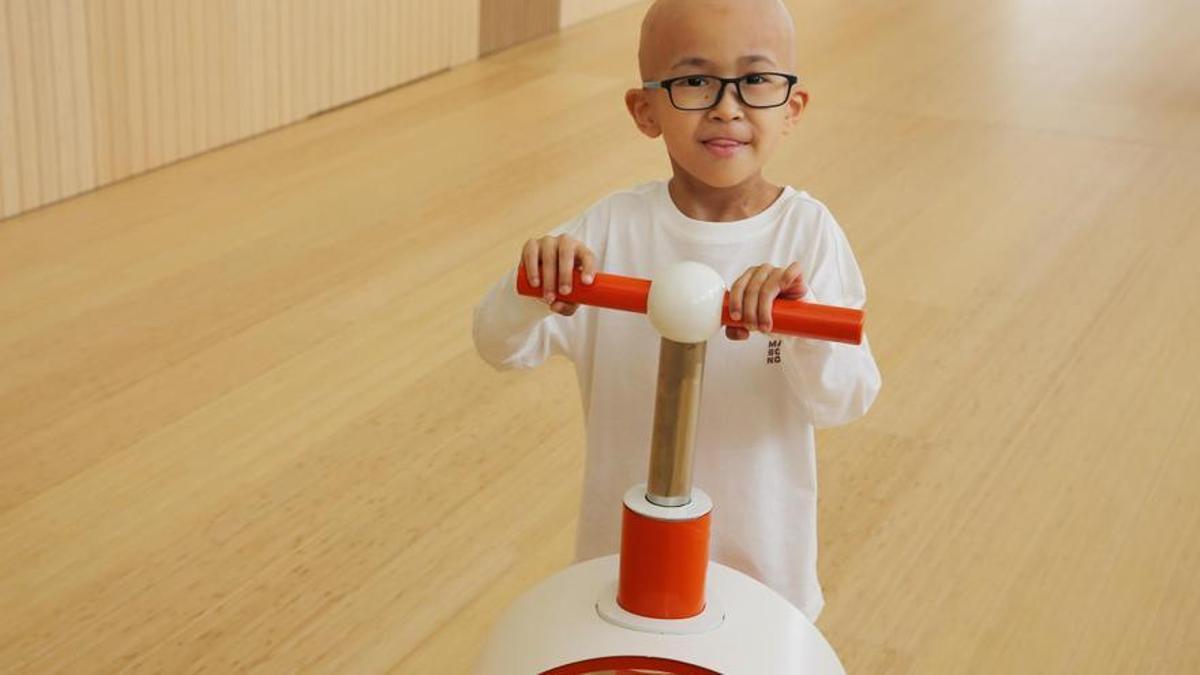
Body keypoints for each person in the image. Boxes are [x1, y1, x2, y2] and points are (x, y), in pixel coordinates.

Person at [472, 0, 881, 621]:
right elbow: (498, 344)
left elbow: (845, 399)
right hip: (622, 568)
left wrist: (801, 331)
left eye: (755, 78)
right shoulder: (610, 230)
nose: (727, 105)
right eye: (694, 80)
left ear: (792, 107)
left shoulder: (807, 236)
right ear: (645, 111)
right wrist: (530, 282)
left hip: (762, 573)